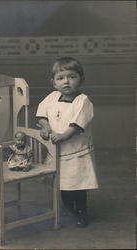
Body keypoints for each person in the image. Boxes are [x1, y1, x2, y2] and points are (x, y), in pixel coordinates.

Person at [36, 57, 98, 227]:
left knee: (77, 184)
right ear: (53, 82)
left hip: (75, 151)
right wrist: (46, 126)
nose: (66, 82)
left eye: (72, 77)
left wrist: (63, 135)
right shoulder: (52, 97)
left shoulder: (83, 101)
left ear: (81, 80)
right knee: (63, 184)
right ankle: (67, 210)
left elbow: (77, 125)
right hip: (58, 152)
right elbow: (42, 115)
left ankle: (81, 212)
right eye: (61, 78)